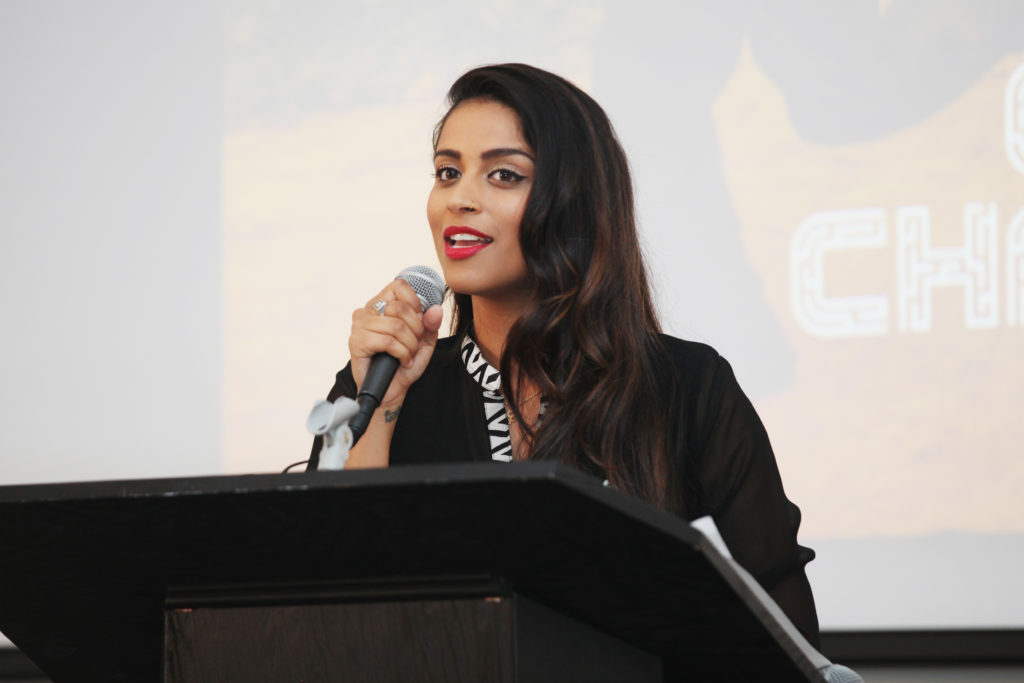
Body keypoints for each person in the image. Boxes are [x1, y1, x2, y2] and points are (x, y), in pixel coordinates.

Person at [308, 63, 820, 645]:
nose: (460, 199)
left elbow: (786, 633)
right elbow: (326, 615)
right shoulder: (383, 386)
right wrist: (380, 409)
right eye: (448, 172)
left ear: (576, 201)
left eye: (504, 175)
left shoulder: (687, 387)